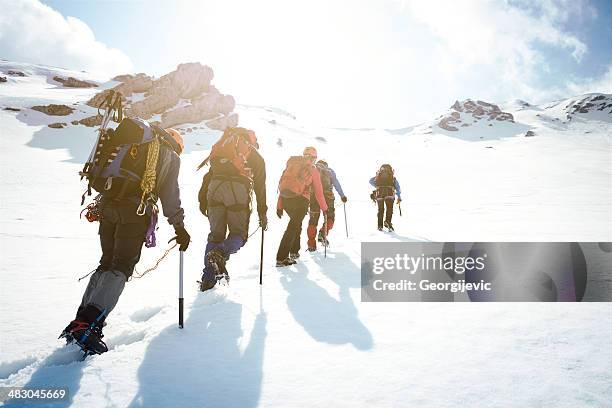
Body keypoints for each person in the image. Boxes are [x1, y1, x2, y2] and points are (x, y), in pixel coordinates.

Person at [61, 126, 190, 355]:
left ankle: (80, 321)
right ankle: (88, 324)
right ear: (177, 144)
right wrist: (179, 227)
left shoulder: (138, 145)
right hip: (135, 212)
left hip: (109, 205)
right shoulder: (168, 154)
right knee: (120, 267)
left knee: (106, 262)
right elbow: (169, 194)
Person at [198, 127, 267, 291]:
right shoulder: (256, 158)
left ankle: (208, 280)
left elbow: (209, 176)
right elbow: (260, 187)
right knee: (239, 235)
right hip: (237, 191)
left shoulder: (224, 151)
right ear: (251, 142)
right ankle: (221, 252)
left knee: (215, 236)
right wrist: (262, 212)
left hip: (214, 189)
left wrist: (203, 199)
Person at [276, 147, 328, 266]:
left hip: (286, 199)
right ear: (313, 158)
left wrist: (279, 206)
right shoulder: (312, 170)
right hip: (301, 201)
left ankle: (294, 251)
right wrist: (325, 209)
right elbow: (319, 193)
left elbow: (284, 186)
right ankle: (281, 258)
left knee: (296, 225)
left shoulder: (292, 165)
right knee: (292, 227)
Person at [307, 159, 347, 251]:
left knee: (313, 221)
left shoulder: (312, 169)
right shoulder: (329, 171)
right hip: (328, 197)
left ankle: (311, 244)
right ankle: (323, 232)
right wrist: (342, 196)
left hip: (314, 197)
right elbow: (337, 184)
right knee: (330, 217)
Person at [369, 164, 401, 231]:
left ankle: (379, 226)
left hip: (379, 194)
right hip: (389, 194)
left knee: (380, 210)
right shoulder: (392, 178)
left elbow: (370, 181)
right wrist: (399, 196)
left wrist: (377, 186)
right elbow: (398, 188)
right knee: (389, 209)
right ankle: (387, 221)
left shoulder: (378, 176)